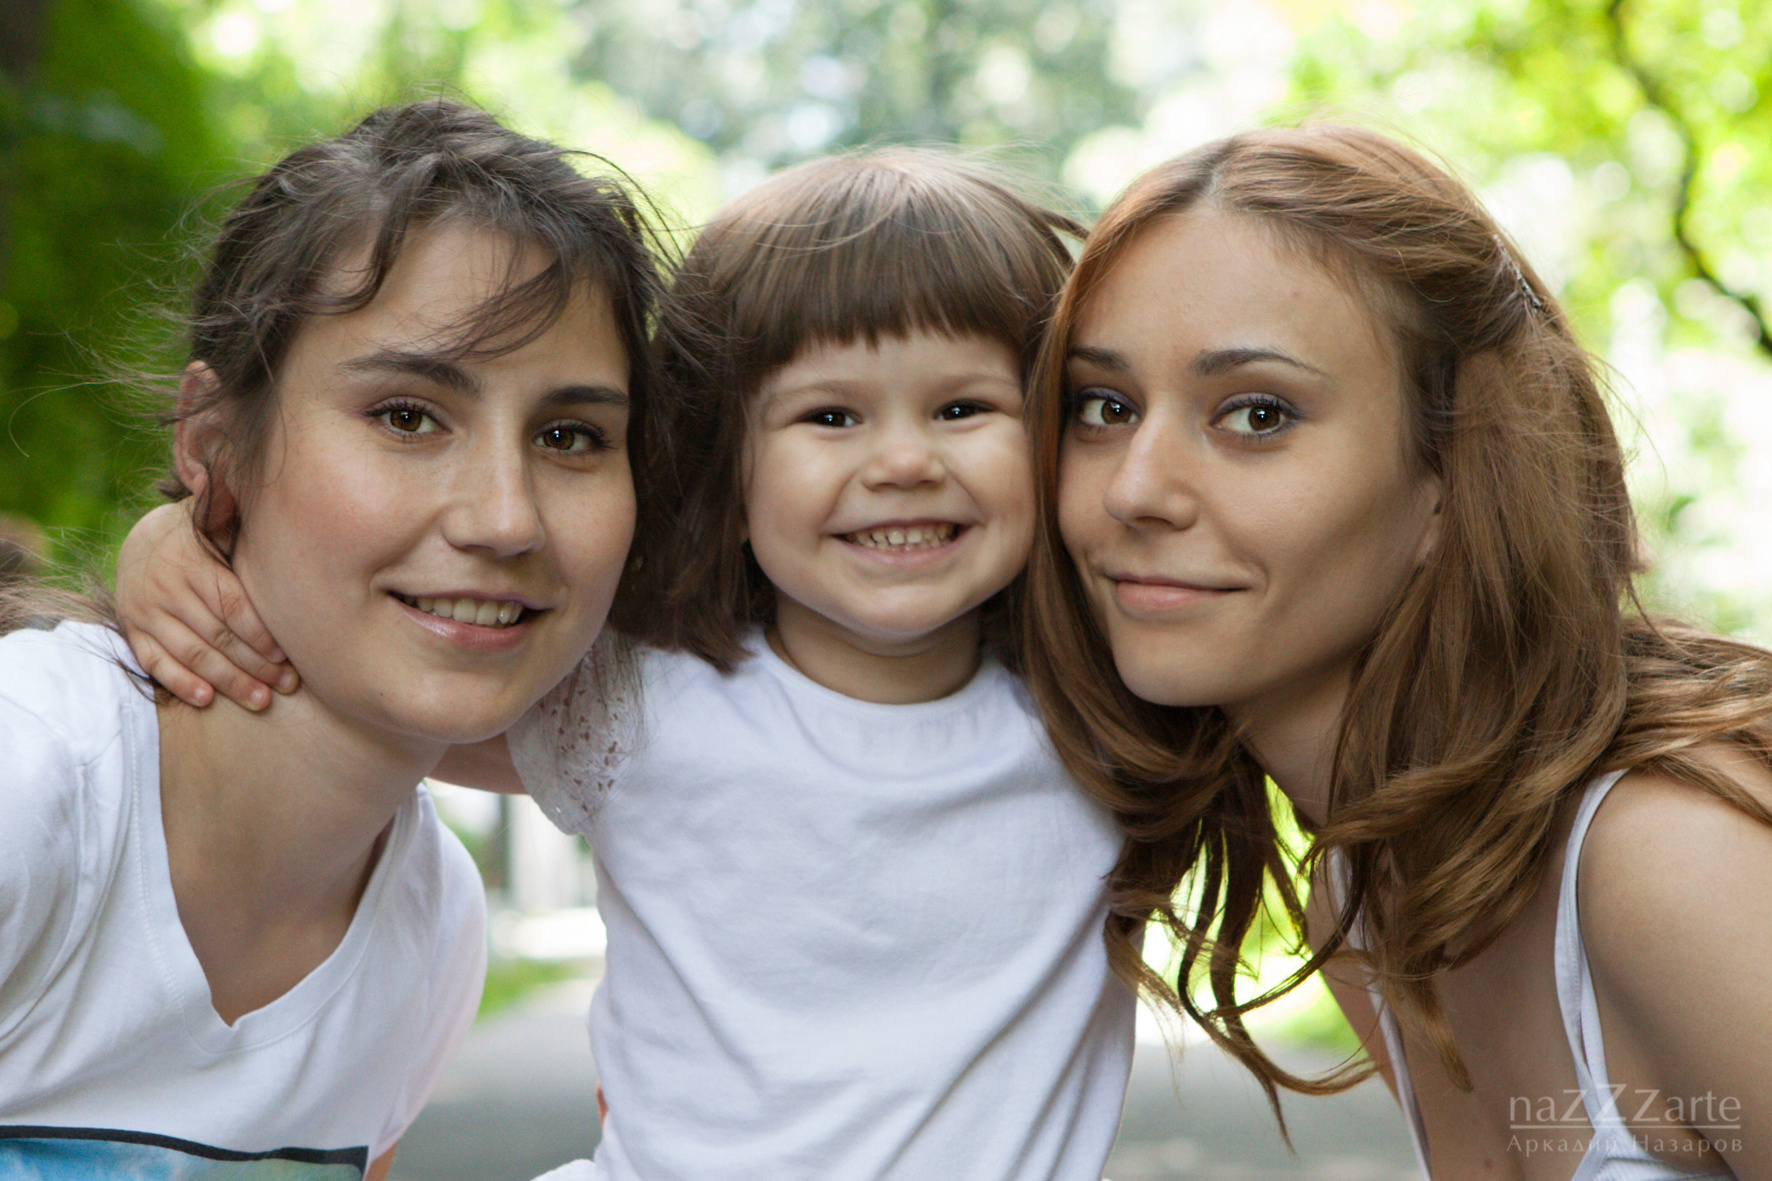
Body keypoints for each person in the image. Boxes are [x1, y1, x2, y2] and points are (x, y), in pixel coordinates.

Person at [114, 149, 1137, 1179]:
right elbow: (349, 672)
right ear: (724, 471)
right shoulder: (636, 703)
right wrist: (182, 539)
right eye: (829, 415)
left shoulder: (1112, 723)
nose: (905, 461)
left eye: (962, 408)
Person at [1023, 122, 1772, 1178]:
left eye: (1254, 413)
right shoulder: (1363, 882)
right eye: (1103, 406)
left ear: (1448, 479)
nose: (1133, 488)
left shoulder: (1663, 858)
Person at [0, 99, 667, 1180]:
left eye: (569, 435)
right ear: (215, 445)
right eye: (407, 414)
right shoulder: (33, 782)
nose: (506, 515)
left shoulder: (429, 926)